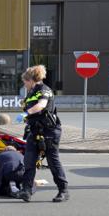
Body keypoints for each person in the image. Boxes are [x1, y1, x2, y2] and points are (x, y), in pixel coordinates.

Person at [17, 65, 69, 202]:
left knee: (53, 161)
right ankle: (26, 190)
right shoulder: (31, 92)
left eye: (25, 82)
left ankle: (63, 190)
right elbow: (30, 104)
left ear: (31, 80)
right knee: (29, 161)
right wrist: (24, 104)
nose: (24, 84)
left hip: (49, 131)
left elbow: (41, 105)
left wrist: (26, 113)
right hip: (35, 130)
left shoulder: (44, 90)